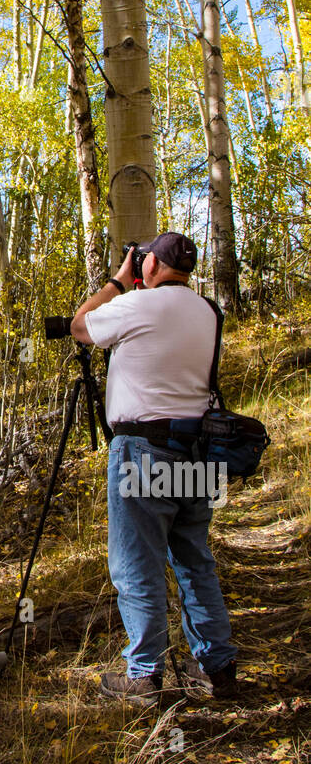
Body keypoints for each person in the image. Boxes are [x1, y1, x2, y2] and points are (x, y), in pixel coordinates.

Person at [70, 231, 238, 705]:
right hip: (198, 451)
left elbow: (81, 326)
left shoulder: (137, 305)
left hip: (144, 452)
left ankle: (144, 675)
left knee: (137, 565)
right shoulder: (208, 310)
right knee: (193, 560)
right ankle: (218, 668)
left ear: (149, 267)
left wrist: (117, 283)